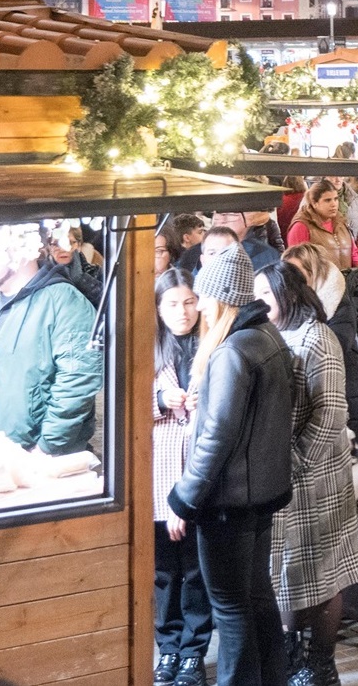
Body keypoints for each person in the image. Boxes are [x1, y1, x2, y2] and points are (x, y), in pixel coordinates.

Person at [167, 246, 295, 686]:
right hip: (260, 497)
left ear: (222, 298)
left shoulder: (232, 352)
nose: (197, 305)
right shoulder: (266, 338)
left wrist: (184, 498)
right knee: (258, 600)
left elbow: (217, 436)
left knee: (231, 607)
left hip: (228, 503)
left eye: (203, 296)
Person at [255, 262, 358, 686]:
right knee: (290, 574)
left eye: (266, 295)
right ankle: (296, 655)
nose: (258, 303)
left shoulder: (318, 338)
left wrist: (296, 464)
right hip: (288, 474)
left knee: (323, 572)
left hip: (318, 477)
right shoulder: (272, 334)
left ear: (288, 294)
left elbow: (331, 412)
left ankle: (321, 663)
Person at [0, 226, 102, 455]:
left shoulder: (64, 301)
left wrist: (47, 447)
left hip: (36, 457)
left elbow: (78, 379)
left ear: (23, 249)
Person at [150, 270, 211, 686]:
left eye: (188, 302)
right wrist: (159, 400)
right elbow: (119, 405)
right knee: (163, 572)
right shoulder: (148, 349)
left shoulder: (212, 344)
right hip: (160, 475)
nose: (182, 311)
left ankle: (193, 652)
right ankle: (167, 649)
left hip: (199, 474)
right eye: (171, 303)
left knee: (195, 569)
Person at [282, 243, 358, 459]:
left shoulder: (336, 303)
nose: (290, 280)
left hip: (342, 396)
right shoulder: (290, 304)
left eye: (296, 273)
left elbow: (332, 348)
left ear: (313, 272)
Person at [285, 180, 358, 274]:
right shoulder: (301, 226)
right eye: (327, 200)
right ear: (314, 203)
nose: (334, 204)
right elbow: (296, 265)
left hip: (346, 283)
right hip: (318, 285)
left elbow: (353, 253)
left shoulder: (341, 222)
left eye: (336, 199)